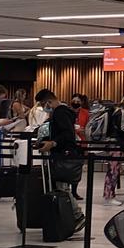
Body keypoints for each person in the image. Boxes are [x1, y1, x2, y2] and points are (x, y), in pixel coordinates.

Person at [34, 88, 86, 230]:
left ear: (48, 102)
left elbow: (67, 134)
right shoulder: (64, 111)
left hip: (62, 154)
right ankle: (72, 216)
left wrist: (53, 143)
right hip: (64, 152)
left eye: (43, 104)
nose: (44, 108)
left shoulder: (60, 113)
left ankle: (77, 215)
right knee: (61, 186)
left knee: (62, 187)